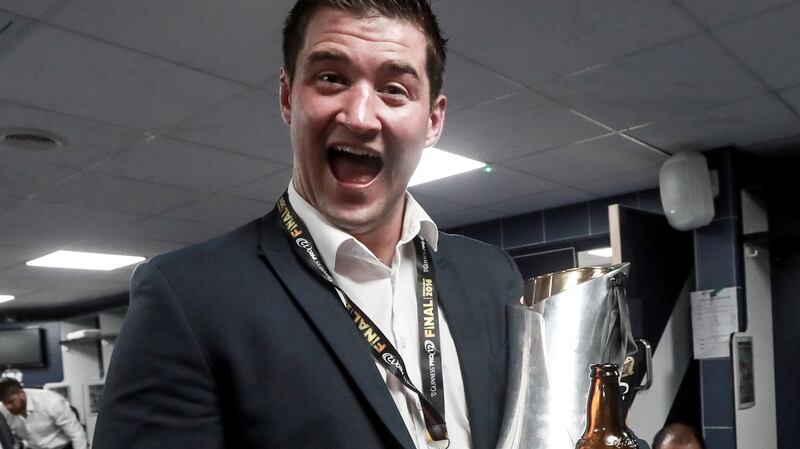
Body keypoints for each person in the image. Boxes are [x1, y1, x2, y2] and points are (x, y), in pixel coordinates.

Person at [92, 1, 523, 449]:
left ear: (433, 120)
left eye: (394, 89)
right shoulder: (185, 297)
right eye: (331, 78)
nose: (359, 116)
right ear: (287, 95)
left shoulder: (493, 275)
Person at [0, 378, 87, 449]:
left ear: (21, 393)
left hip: (63, 447)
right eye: (4, 402)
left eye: (10, 401)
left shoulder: (52, 402)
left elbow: (77, 434)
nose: (8, 407)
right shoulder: (2, 409)